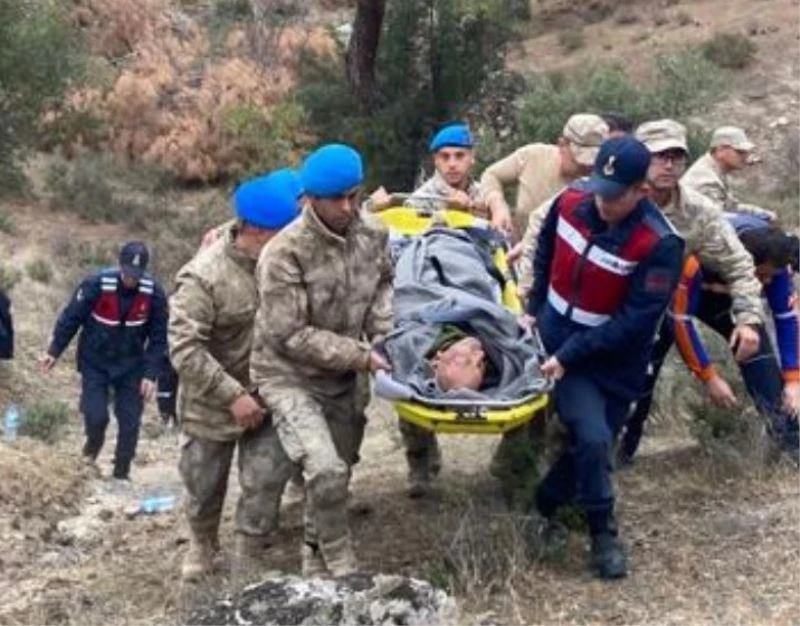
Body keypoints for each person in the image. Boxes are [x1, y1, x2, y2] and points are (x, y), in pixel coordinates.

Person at [527, 136, 684, 579]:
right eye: (599, 187)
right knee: (594, 439)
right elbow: (544, 250)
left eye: (615, 195)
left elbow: (636, 321)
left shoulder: (660, 243)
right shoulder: (572, 201)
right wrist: (535, 307)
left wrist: (573, 350)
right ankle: (603, 534)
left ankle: (542, 503)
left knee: (592, 445)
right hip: (563, 349)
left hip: (615, 360)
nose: (603, 201)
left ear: (642, 192)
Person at [251, 143, 393, 577]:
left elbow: (382, 283)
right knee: (326, 468)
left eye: (354, 195)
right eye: (337, 199)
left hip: (346, 378)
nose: (348, 207)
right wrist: (363, 355)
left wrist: (386, 335)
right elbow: (289, 333)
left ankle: (314, 552)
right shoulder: (283, 253)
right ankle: (338, 556)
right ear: (309, 198)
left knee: (340, 471)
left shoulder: (373, 233)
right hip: (289, 375)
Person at [169, 170, 302, 582]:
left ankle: (249, 548)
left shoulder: (284, 263)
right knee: (203, 486)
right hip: (212, 401)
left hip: (268, 394)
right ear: (260, 232)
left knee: (266, 479)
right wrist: (232, 395)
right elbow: (185, 348)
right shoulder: (204, 276)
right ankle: (203, 542)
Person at [618, 119, 767, 464]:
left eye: (676, 156)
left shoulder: (698, 209)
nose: (669, 164)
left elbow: (739, 264)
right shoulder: (614, 196)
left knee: (645, 379)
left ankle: (786, 437)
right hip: (609, 306)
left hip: (666, 302)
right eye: (659, 156)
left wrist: (748, 319)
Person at [669, 218, 799, 459]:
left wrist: (793, 379)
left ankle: (790, 452)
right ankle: (623, 447)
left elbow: (785, 318)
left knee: (761, 360)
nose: (767, 283)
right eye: (763, 276)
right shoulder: (697, 259)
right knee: (651, 355)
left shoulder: (777, 265)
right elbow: (680, 321)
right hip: (684, 292)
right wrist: (708, 377)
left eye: (772, 277)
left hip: (737, 300)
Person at [40, 241, 168, 481]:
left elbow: (159, 338)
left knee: (130, 422)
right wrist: (54, 351)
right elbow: (71, 318)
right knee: (96, 416)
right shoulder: (96, 284)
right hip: (95, 361)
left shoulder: (154, 294)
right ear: (121, 266)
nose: (132, 279)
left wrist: (151, 374)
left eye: (137, 275)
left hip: (132, 364)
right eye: (129, 273)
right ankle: (91, 451)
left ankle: (121, 474)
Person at [485, 113, 609, 295]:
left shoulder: (602, 186)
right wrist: (497, 204)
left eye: (593, 163)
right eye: (580, 161)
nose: (586, 169)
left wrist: (532, 246)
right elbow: (491, 175)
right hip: (513, 265)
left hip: (561, 279)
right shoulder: (533, 156)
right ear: (562, 145)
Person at [368, 122, 513, 233]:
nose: (452, 164)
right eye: (445, 157)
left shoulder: (485, 193)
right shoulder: (422, 198)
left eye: (459, 156)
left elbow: (502, 234)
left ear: (472, 158)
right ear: (435, 160)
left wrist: (474, 208)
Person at [682, 126, 776, 220]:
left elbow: (731, 207)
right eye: (740, 152)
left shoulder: (717, 171)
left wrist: (760, 213)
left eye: (746, 152)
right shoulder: (705, 178)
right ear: (720, 150)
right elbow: (716, 219)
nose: (745, 156)